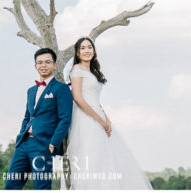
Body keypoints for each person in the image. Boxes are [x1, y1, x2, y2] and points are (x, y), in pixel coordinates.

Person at [62, 37, 152, 189]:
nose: (86, 51)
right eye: (82, 48)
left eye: (89, 47)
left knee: (107, 159)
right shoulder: (77, 70)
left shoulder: (93, 71)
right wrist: (100, 120)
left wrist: (106, 119)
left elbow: (95, 99)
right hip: (86, 119)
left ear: (94, 51)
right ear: (77, 53)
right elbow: (78, 98)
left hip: (98, 115)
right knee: (91, 157)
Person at [5, 47, 73, 189]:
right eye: (40, 62)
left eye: (47, 62)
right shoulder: (31, 91)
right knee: (11, 185)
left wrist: (53, 143)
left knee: (42, 187)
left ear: (54, 65)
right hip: (23, 145)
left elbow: (65, 119)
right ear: (35, 66)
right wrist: (20, 136)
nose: (43, 65)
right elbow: (27, 116)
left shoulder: (61, 89)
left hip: (44, 145)